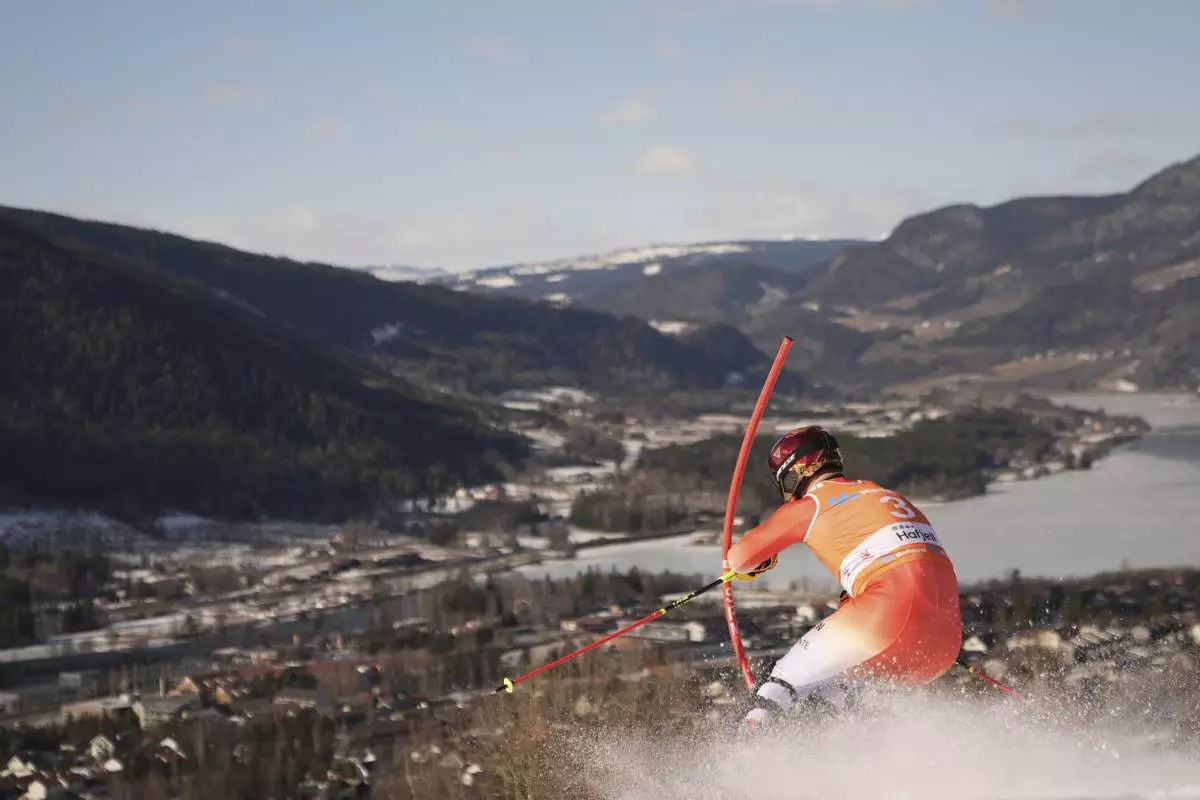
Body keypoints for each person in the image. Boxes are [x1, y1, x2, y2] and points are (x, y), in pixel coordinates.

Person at [726, 425, 963, 729]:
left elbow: (739, 559)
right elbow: (911, 567)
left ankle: (746, 748)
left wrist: (763, 562)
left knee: (785, 676)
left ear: (796, 471)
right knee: (835, 687)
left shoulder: (812, 504)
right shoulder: (888, 496)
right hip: (943, 644)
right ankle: (857, 756)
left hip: (886, 620)